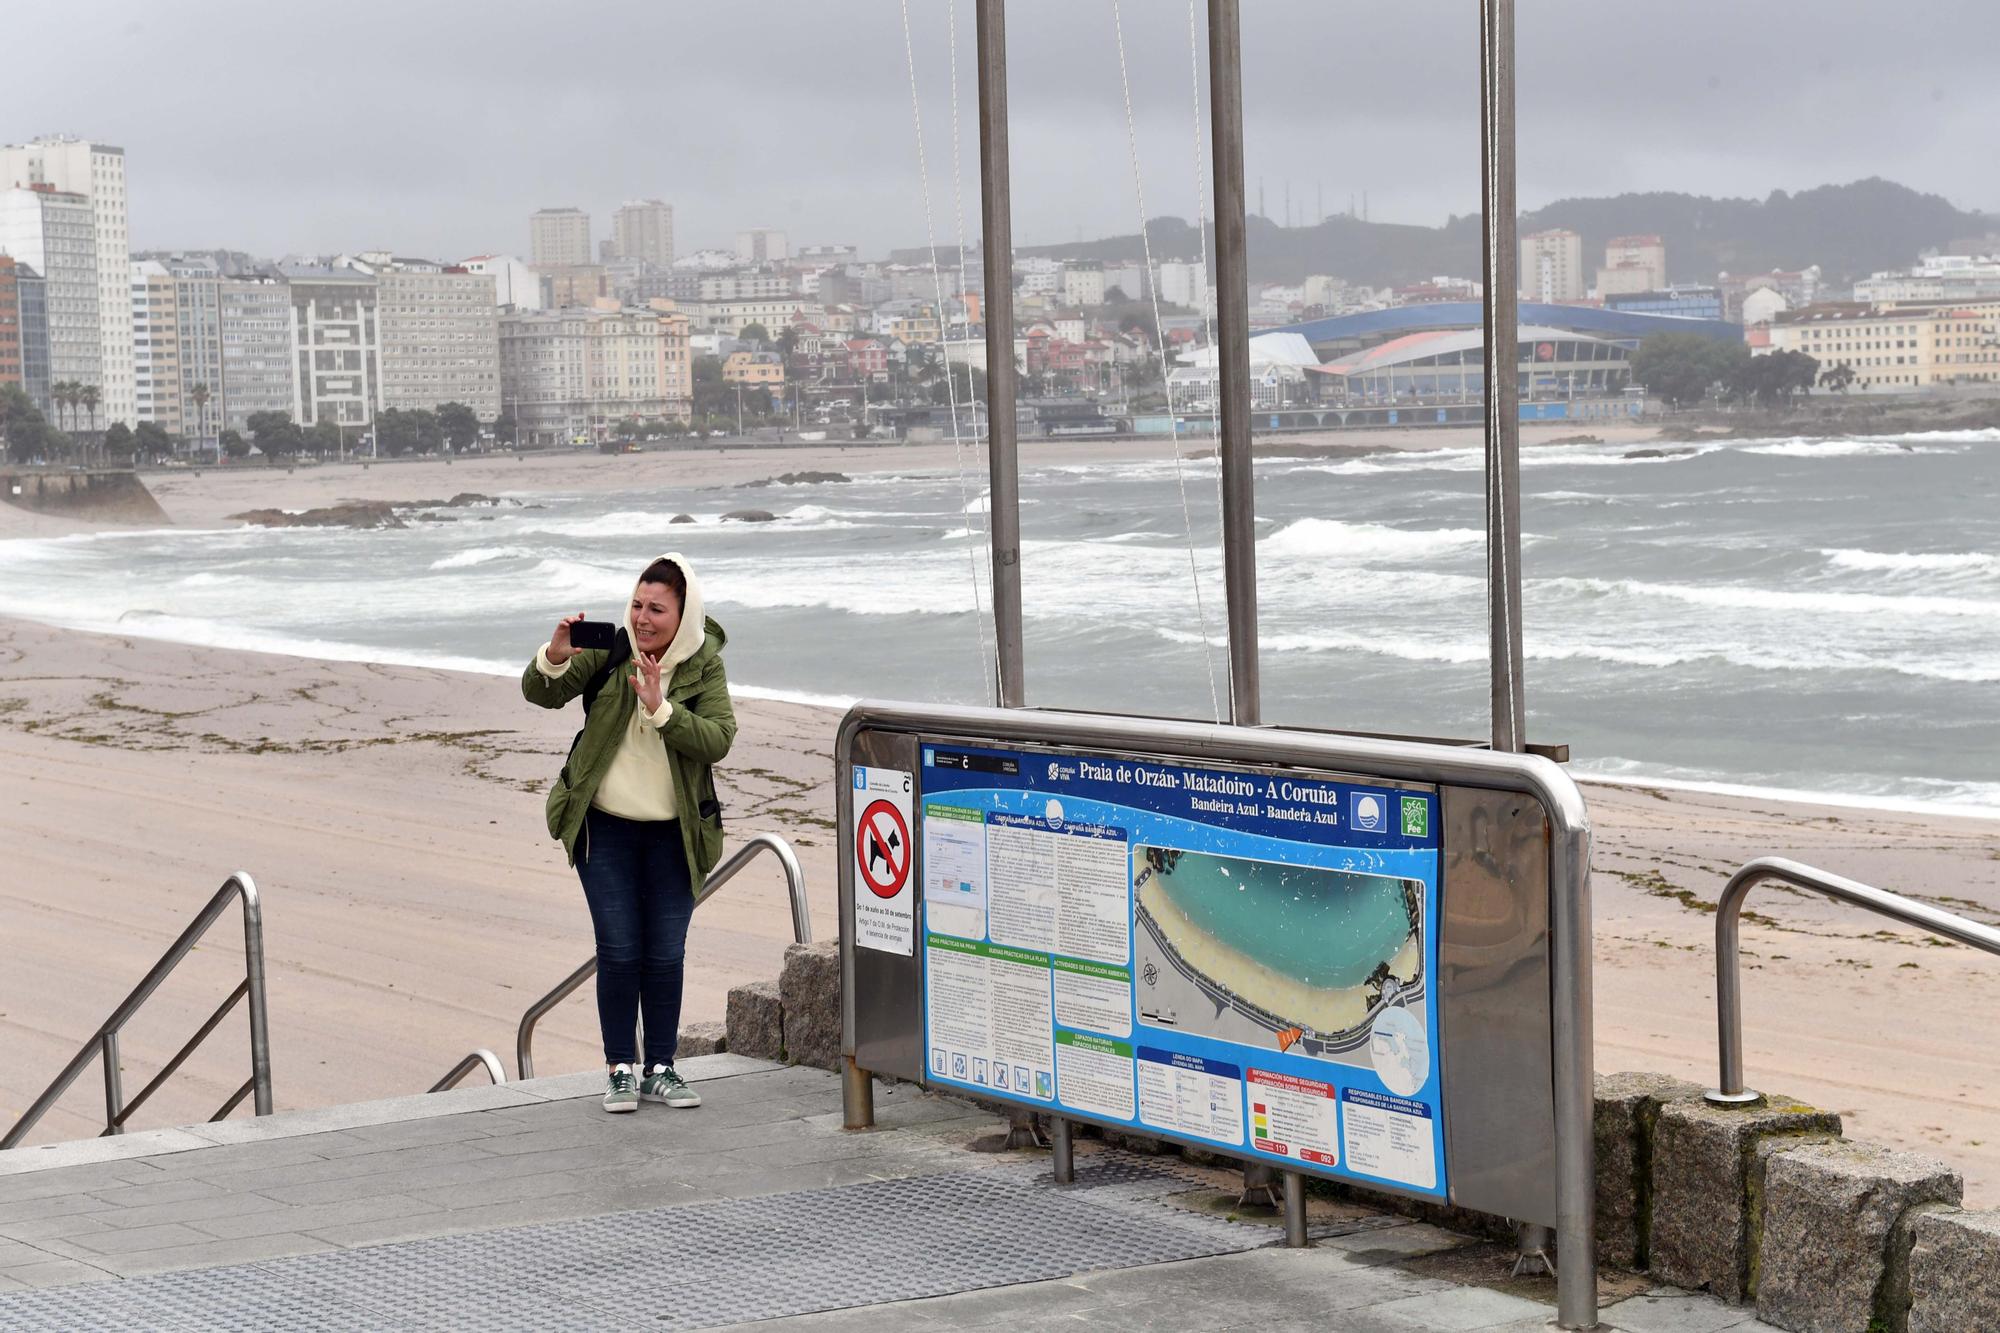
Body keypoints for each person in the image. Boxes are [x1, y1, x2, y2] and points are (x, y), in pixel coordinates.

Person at [522, 553, 736, 1113]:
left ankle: (661, 1067)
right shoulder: (612, 650)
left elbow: (717, 739)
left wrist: (663, 710)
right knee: (619, 950)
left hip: (676, 834)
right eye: (638, 604)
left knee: (665, 954)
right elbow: (541, 693)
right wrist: (553, 657)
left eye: (658, 609)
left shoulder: (703, 664)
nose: (643, 618)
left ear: (683, 614)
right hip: (605, 831)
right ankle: (620, 1067)